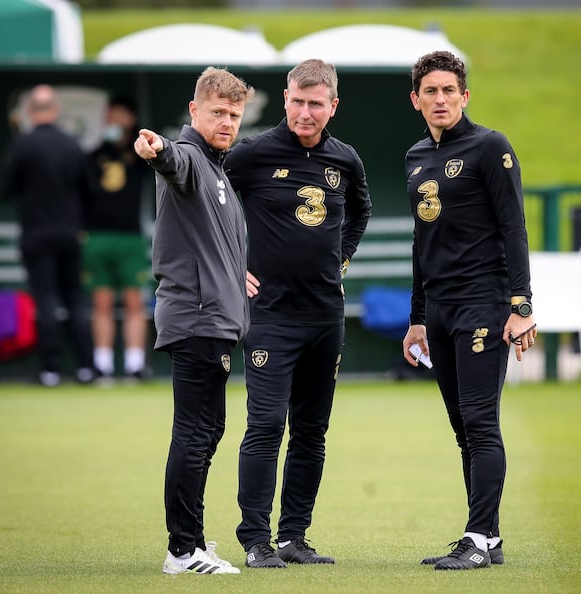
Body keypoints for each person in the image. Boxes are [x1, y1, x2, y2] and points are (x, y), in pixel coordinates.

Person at [224, 59, 372, 569]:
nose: (305, 112)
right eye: (298, 101)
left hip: (325, 316)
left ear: (333, 107)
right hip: (269, 315)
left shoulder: (345, 159)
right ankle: (255, 540)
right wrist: (230, 266)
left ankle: (294, 537)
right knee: (265, 426)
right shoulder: (252, 153)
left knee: (311, 431)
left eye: (316, 104)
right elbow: (208, 201)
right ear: (285, 99)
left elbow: (361, 210)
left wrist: (342, 257)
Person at [401, 51, 537, 570]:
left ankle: (477, 537)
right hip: (438, 310)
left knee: (481, 422)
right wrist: (417, 316)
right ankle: (489, 539)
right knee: (463, 426)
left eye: (448, 91)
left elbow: (514, 227)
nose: (440, 99)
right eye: (430, 91)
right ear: (416, 100)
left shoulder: (490, 146)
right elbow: (421, 242)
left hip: (483, 301)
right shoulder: (415, 155)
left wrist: (521, 304)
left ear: (464, 97)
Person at [133, 67, 253, 576]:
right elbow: (172, 161)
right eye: (218, 113)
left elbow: (208, 243)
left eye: (234, 115)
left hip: (215, 318)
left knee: (206, 431)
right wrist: (158, 149)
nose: (227, 122)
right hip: (198, 320)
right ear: (194, 112)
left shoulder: (218, 168)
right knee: (195, 431)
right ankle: (184, 549)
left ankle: (192, 541)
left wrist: (235, 277)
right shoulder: (190, 159)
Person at [0, 84, 95, 387]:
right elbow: (89, 190)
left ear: (30, 112)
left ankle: (50, 370)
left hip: (36, 237)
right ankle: (86, 368)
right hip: (68, 236)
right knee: (75, 301)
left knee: (47, 302)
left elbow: (4, 190)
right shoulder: (71, 144)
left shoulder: (22, 145)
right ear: (54, 110)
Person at [84, 96, 151, 382]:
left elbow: (154, 156)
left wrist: (130, 132)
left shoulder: (139, 152)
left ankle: (135, 365)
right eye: (110, 113)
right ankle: (103, 365)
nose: (114, 119)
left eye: (120, 114)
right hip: (97, 236)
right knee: (101, 301)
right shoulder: (94, 153)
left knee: (135, 300)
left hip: (130, 237)